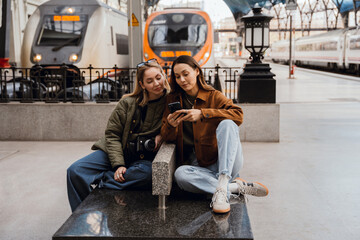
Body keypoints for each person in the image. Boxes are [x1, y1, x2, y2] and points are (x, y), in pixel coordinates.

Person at [161, 55, 268, 214]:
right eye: (177, 77)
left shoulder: (213, 95)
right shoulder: (172, 99)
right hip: (199, 166)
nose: (182, 80)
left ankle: (223, 182)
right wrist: (171, 125)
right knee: (180, 175)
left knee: (227, 123)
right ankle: (232, 187)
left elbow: (238, 115)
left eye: (185, 74)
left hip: (226, 161)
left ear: (196, 71)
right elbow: (167, 137)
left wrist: (203, 114)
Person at [67, 59, 171, 212]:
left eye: (158, 77)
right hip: (117, 151)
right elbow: (112, 135)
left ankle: (101, 184)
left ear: (163, 76)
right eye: (150, 81)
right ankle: (82, 215)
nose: (156, 83)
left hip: (143, 160)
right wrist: (119, 165)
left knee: (148, 175)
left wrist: (164, 135)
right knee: (75, 171)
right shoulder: (127, 103)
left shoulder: (171, 102)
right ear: (142, 85)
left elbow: (179, 126)